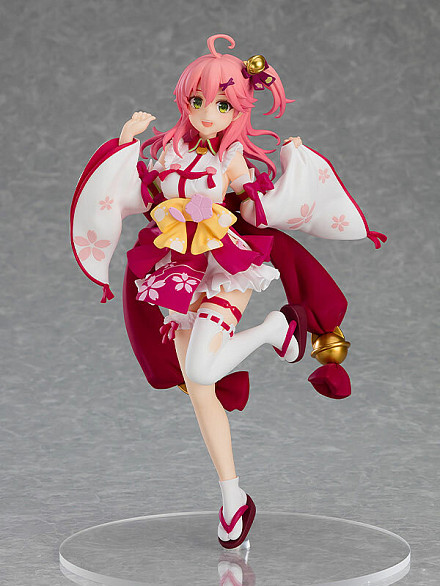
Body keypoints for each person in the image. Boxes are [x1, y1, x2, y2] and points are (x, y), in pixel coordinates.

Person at [71, 34, 386, 549]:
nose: (206, 113)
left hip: (224, 265)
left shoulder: (232, 155)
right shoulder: (168, 150)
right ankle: (232, 496)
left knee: (200, 370)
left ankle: (274, 329)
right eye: (197, 101)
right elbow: (138, 195)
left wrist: (290, 173)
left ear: (239, 107)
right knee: (199, 389)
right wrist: (125, 144)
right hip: (176, 270)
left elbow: (255, 208)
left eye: (221, 104)